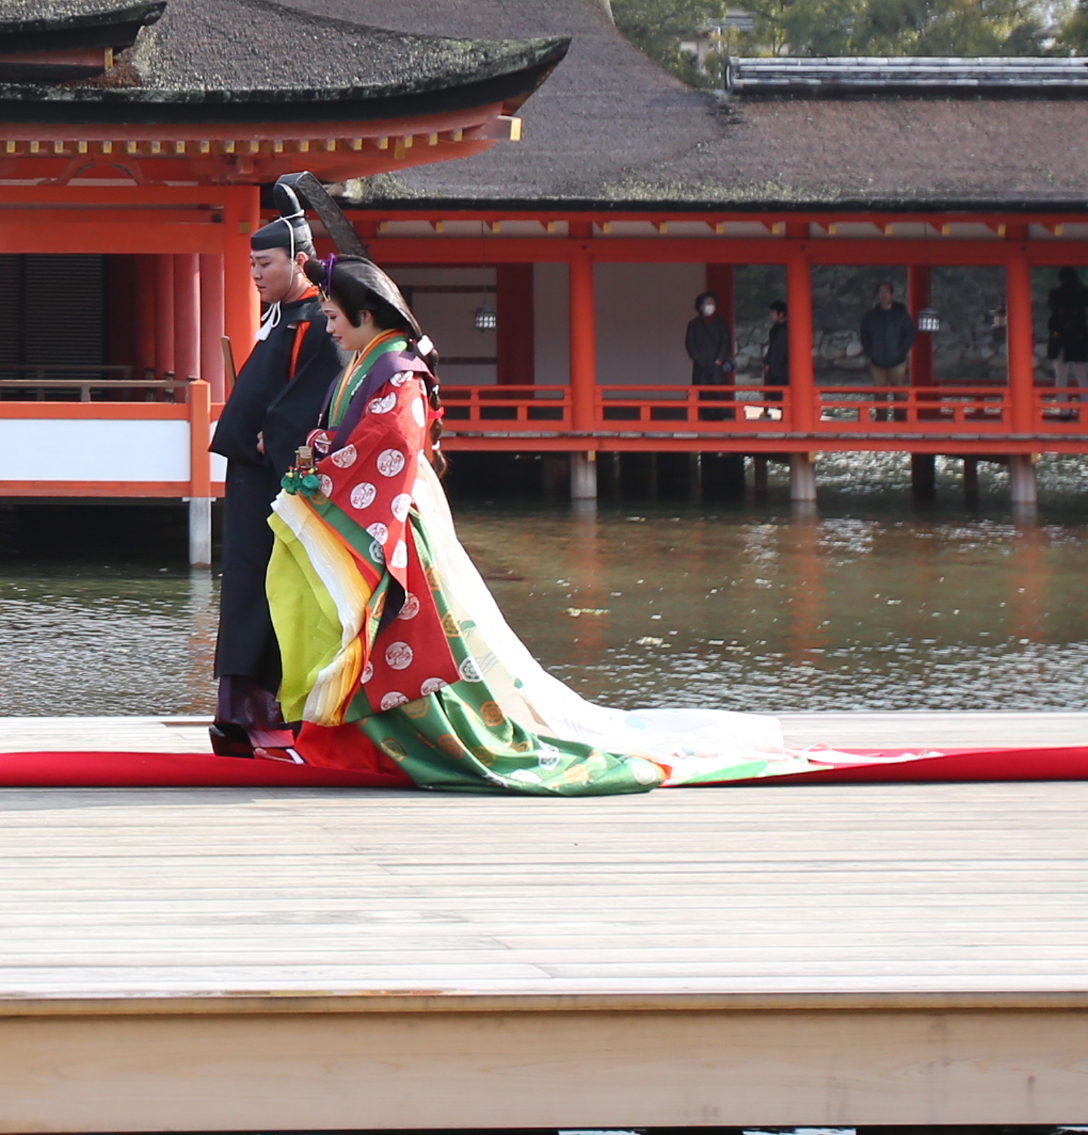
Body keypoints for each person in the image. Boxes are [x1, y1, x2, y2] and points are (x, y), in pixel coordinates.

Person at [264, 254, 808, 795]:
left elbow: (395, 445)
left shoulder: (396, 370)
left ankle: (423, 741)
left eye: (334, 317)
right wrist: (322, 458)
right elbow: (355, 440)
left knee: (409, 640)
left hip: (393, 521)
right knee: (385, 640)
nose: (329, 328)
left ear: (365, 316)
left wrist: (327, 470)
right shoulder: (372, 365)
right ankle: (371, 742)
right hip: (375, 516)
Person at [207, 183, 342, 758]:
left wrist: (279, 438)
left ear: (300, 261)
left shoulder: (316, 320)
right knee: (243, 585)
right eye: (252, 264)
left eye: (265, 263)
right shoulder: (279, 313)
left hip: (277, 477)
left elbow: (313, 397)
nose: (256, 274)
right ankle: (234, 715)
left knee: (271, 588)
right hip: (249, 476)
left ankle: (266, 713)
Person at [859, 282, 916, 420]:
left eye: (886, 292)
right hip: (876, 361)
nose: (883, 295)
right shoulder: (871, 315)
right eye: (881, 292)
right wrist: (870, 352)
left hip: (897, 361)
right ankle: (881, 418)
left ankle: (900, 418)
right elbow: (864, 335)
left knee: (899, 391)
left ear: (892, 295)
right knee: (879, 392)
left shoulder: (900, 313)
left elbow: (910, 334)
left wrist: (900, 351)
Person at [684, 292, 735, 420]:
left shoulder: (720, 323)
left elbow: (725, 342)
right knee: (703, 391)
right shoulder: (694, 324)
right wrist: (699, 360)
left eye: (713, 303)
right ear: (701, 306)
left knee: (718, 391)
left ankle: (719, 416)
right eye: (708, 303)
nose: (711, 306)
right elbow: (690, 344)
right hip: (701, 364)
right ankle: (705, 416)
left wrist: (720, 359)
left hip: (717, 364)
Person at [1047, 267, 1088, 398]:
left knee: (1061, 376)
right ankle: (1086, 406)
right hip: (1079, 335)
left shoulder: (1055, 293)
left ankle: (1063, 409)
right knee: (1083, 375)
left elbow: (1051, 307)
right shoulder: (1083, 292)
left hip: (1059, 335)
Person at [762, 300, 789, 416]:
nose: (771, 315)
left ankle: (785, 414)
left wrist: (771, 364)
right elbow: (773, 348)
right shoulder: (776, 328)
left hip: (782, 366)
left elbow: (779, 350)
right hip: (776, 364)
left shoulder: (785, 329)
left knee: (783, 392)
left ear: (781, 313)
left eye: (773, 313)